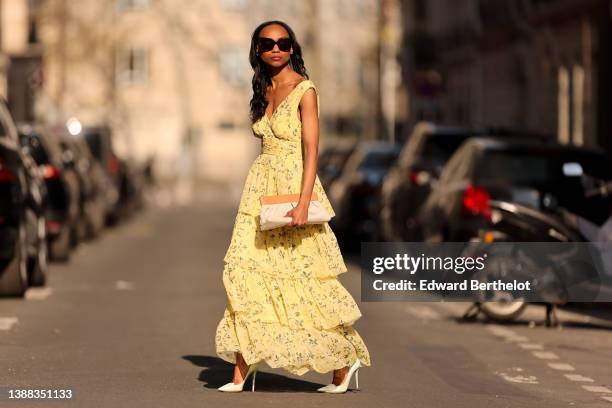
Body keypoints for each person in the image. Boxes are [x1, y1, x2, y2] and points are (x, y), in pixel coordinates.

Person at [215, 20, 371, 393]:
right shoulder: (263, 87)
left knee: (304, 281)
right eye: (268, 43)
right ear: (257, 49)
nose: (276, 49)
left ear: (292, 48)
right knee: (248, 274)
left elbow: (311, 150)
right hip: (260, 191)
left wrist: (303, 203)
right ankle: (242, 367)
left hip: (293, 188)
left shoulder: (306, 90)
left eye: (283, 43)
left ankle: (342, 362)